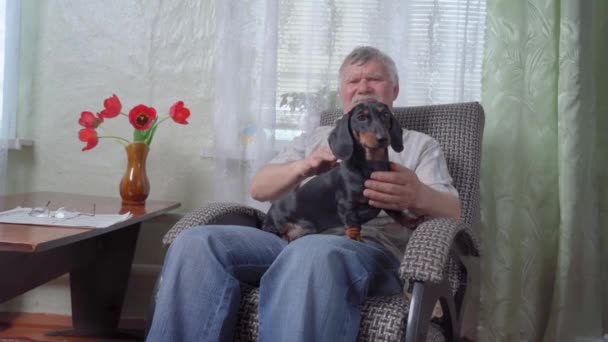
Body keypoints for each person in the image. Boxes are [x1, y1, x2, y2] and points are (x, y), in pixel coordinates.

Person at [146, 46, 460, 342]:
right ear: (343, 94)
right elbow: (259, 188)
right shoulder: (315, 137)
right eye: (353, 80)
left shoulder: (420, 145)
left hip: (366, 247)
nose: (363, 86)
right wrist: (303, 167)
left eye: (374, 79)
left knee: (310, 252)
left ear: (394, 90)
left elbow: (455, 213)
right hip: (286, 237)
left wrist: (418, 194)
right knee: (198, 241)